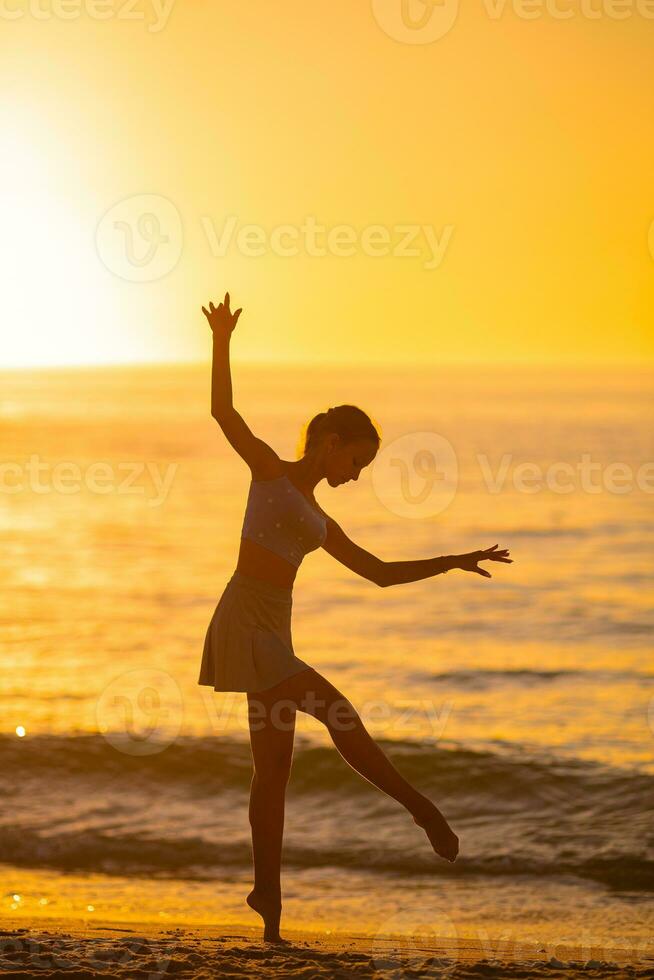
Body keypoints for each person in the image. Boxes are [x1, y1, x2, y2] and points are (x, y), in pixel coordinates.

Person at [198, 292, 513, 943]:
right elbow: (222, 411)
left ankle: (269, 905)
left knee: (273, 773)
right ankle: (423, 811)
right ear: (330, 443)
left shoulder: (319, 519)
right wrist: (222, 338)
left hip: (272, 632)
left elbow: (379, 573)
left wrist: (454, 558)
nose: (358, 475)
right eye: (357, 461)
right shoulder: (269, 472)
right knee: (338, 711)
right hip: (246, 625)